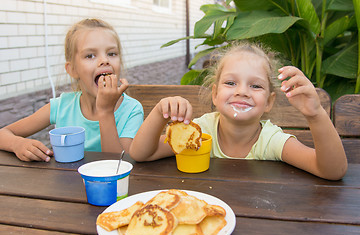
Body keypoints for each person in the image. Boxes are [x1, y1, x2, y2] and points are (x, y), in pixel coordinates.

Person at [129, 42, 347, 180]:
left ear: (269, 102)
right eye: (231, 83)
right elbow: (141, 154)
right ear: (215, 94)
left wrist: (315, 114)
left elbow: (332, 170)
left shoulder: (271, 140)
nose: (242, 92)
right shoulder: (200, 132)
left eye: (255, 86)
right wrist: (159, 113)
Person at [0, 18, 144, 162]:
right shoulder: (62, 106)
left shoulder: (131, 110)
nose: (104, 60)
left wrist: (105, 111)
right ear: (73, 69)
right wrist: (17, 144)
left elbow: (120, 164)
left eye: (112, 53)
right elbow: (3, 133)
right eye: (90, 55)